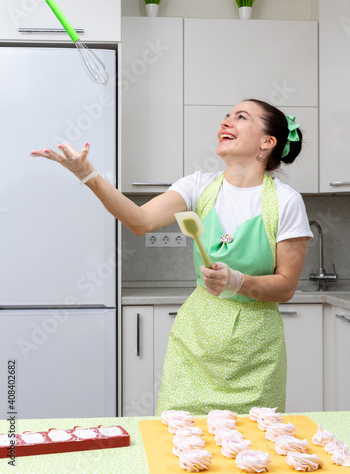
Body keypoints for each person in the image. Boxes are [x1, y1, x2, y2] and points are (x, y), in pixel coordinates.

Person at [31, 99, 313, 415]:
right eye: (226, 116)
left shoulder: (287, 202)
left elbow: (286, 286)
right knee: (181, 443)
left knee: (253, 449)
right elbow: (140, 221)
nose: (226, 122)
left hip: (256, 353)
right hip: (195, 344)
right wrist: (88, 175)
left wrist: (237, 281)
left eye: (241, 117)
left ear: (267, 142)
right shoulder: (198, 186)